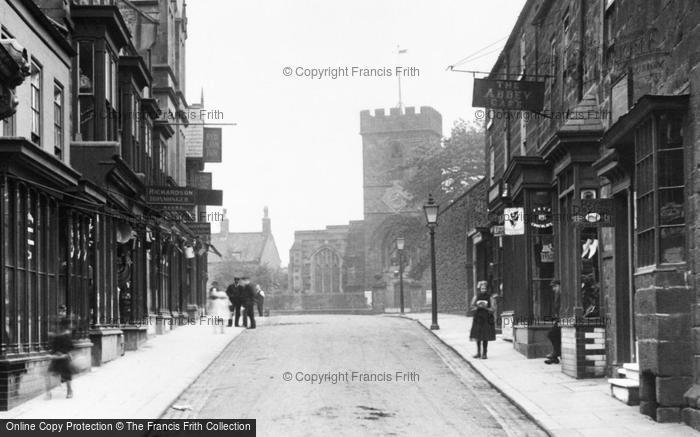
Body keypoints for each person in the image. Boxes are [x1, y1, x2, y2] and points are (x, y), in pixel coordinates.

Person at [46, 314, 75, 399]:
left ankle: (69, 391)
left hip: (63, 357)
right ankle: (48, 393)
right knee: (49, 374)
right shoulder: (56, 335)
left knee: (66, 375)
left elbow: (69, 347)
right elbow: (52, 347)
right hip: (56, 357)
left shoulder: (65, 335)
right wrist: (52, 354)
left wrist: (65, 354)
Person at [469, 281, 496, 359]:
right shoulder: (476, 296)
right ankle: (478, 352)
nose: (483, 289)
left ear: (486, 289)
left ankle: (484, 353)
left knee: (485, 336)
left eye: (484, 288)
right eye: (482, 288)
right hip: (478, 317)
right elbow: (471, 307)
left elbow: (493, 309)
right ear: (480, 289)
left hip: (486, 318)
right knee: (477, 335)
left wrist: (486, 308)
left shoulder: (490, 297)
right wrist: (477, 307)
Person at [545, 279, 562, 365]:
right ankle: (555, 356)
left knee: (552, 334)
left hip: (563, 319)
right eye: (553, 287)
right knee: (555, 335)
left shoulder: (562, 294)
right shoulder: (558, 294)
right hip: (559, 319)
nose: (553, 289)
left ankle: (556, 354)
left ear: (560, 285)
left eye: (555, 286)